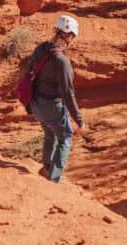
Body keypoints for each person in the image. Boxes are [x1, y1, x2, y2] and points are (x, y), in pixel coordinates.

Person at [26, 15, 84, 183]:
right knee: (65, 137)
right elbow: (68, 93)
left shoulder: (42, 49)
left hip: (36, 104)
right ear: (67, 35)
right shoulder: (62, 61)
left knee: (50, 133)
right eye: (72, 36)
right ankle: (54, 178)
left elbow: (30, 73)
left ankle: (46, 168)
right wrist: (79, 120)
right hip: (52, 107)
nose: (72, 40)